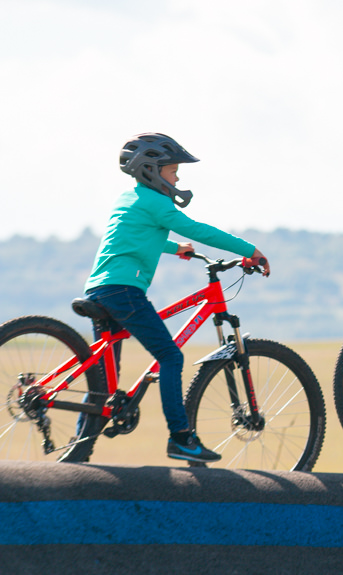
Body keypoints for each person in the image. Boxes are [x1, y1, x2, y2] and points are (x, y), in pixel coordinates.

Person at [82, 132, 270, 463]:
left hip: (101, 288)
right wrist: (249, 250)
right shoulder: (158, 203)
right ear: (152, 171)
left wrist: (173, 248)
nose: (178, 177)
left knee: (102, 376)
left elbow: (131, 237)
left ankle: (79, 447)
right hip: (125, 291)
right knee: (170, 357)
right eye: (173, 170)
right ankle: (181, 438)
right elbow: (198, 230)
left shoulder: (130, 199)